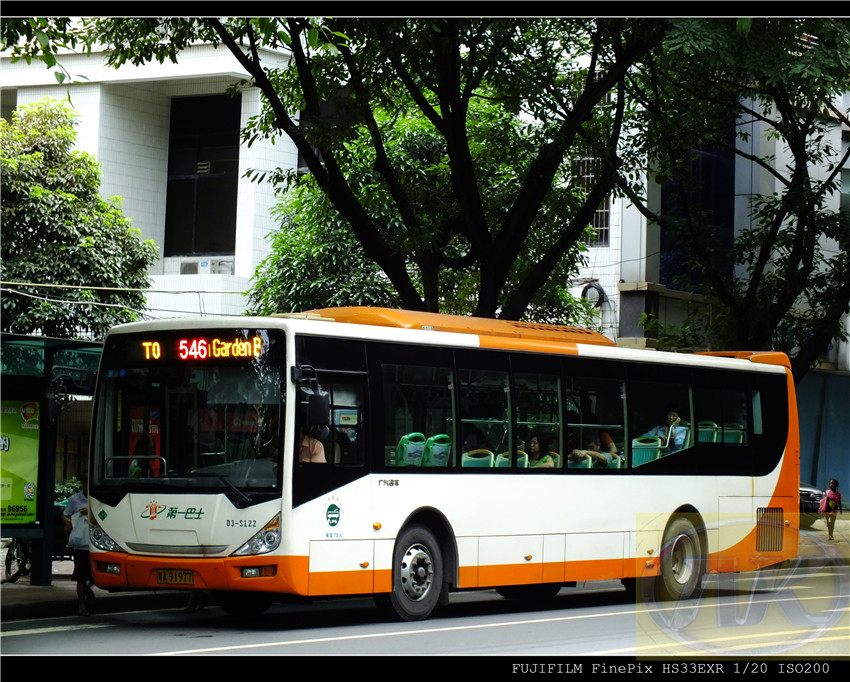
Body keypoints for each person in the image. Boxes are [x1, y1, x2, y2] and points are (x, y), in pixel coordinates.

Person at [63, 471, 95, 616]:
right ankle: (82, 605)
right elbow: (65, 515)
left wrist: (90, 513)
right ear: (82, 483)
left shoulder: (98, 498)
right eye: (87, 481)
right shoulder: (75, 500)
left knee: (96, 576)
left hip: (96, 543)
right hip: (81, 545)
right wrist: (70, 523)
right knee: (81, 576)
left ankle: (87, 588)